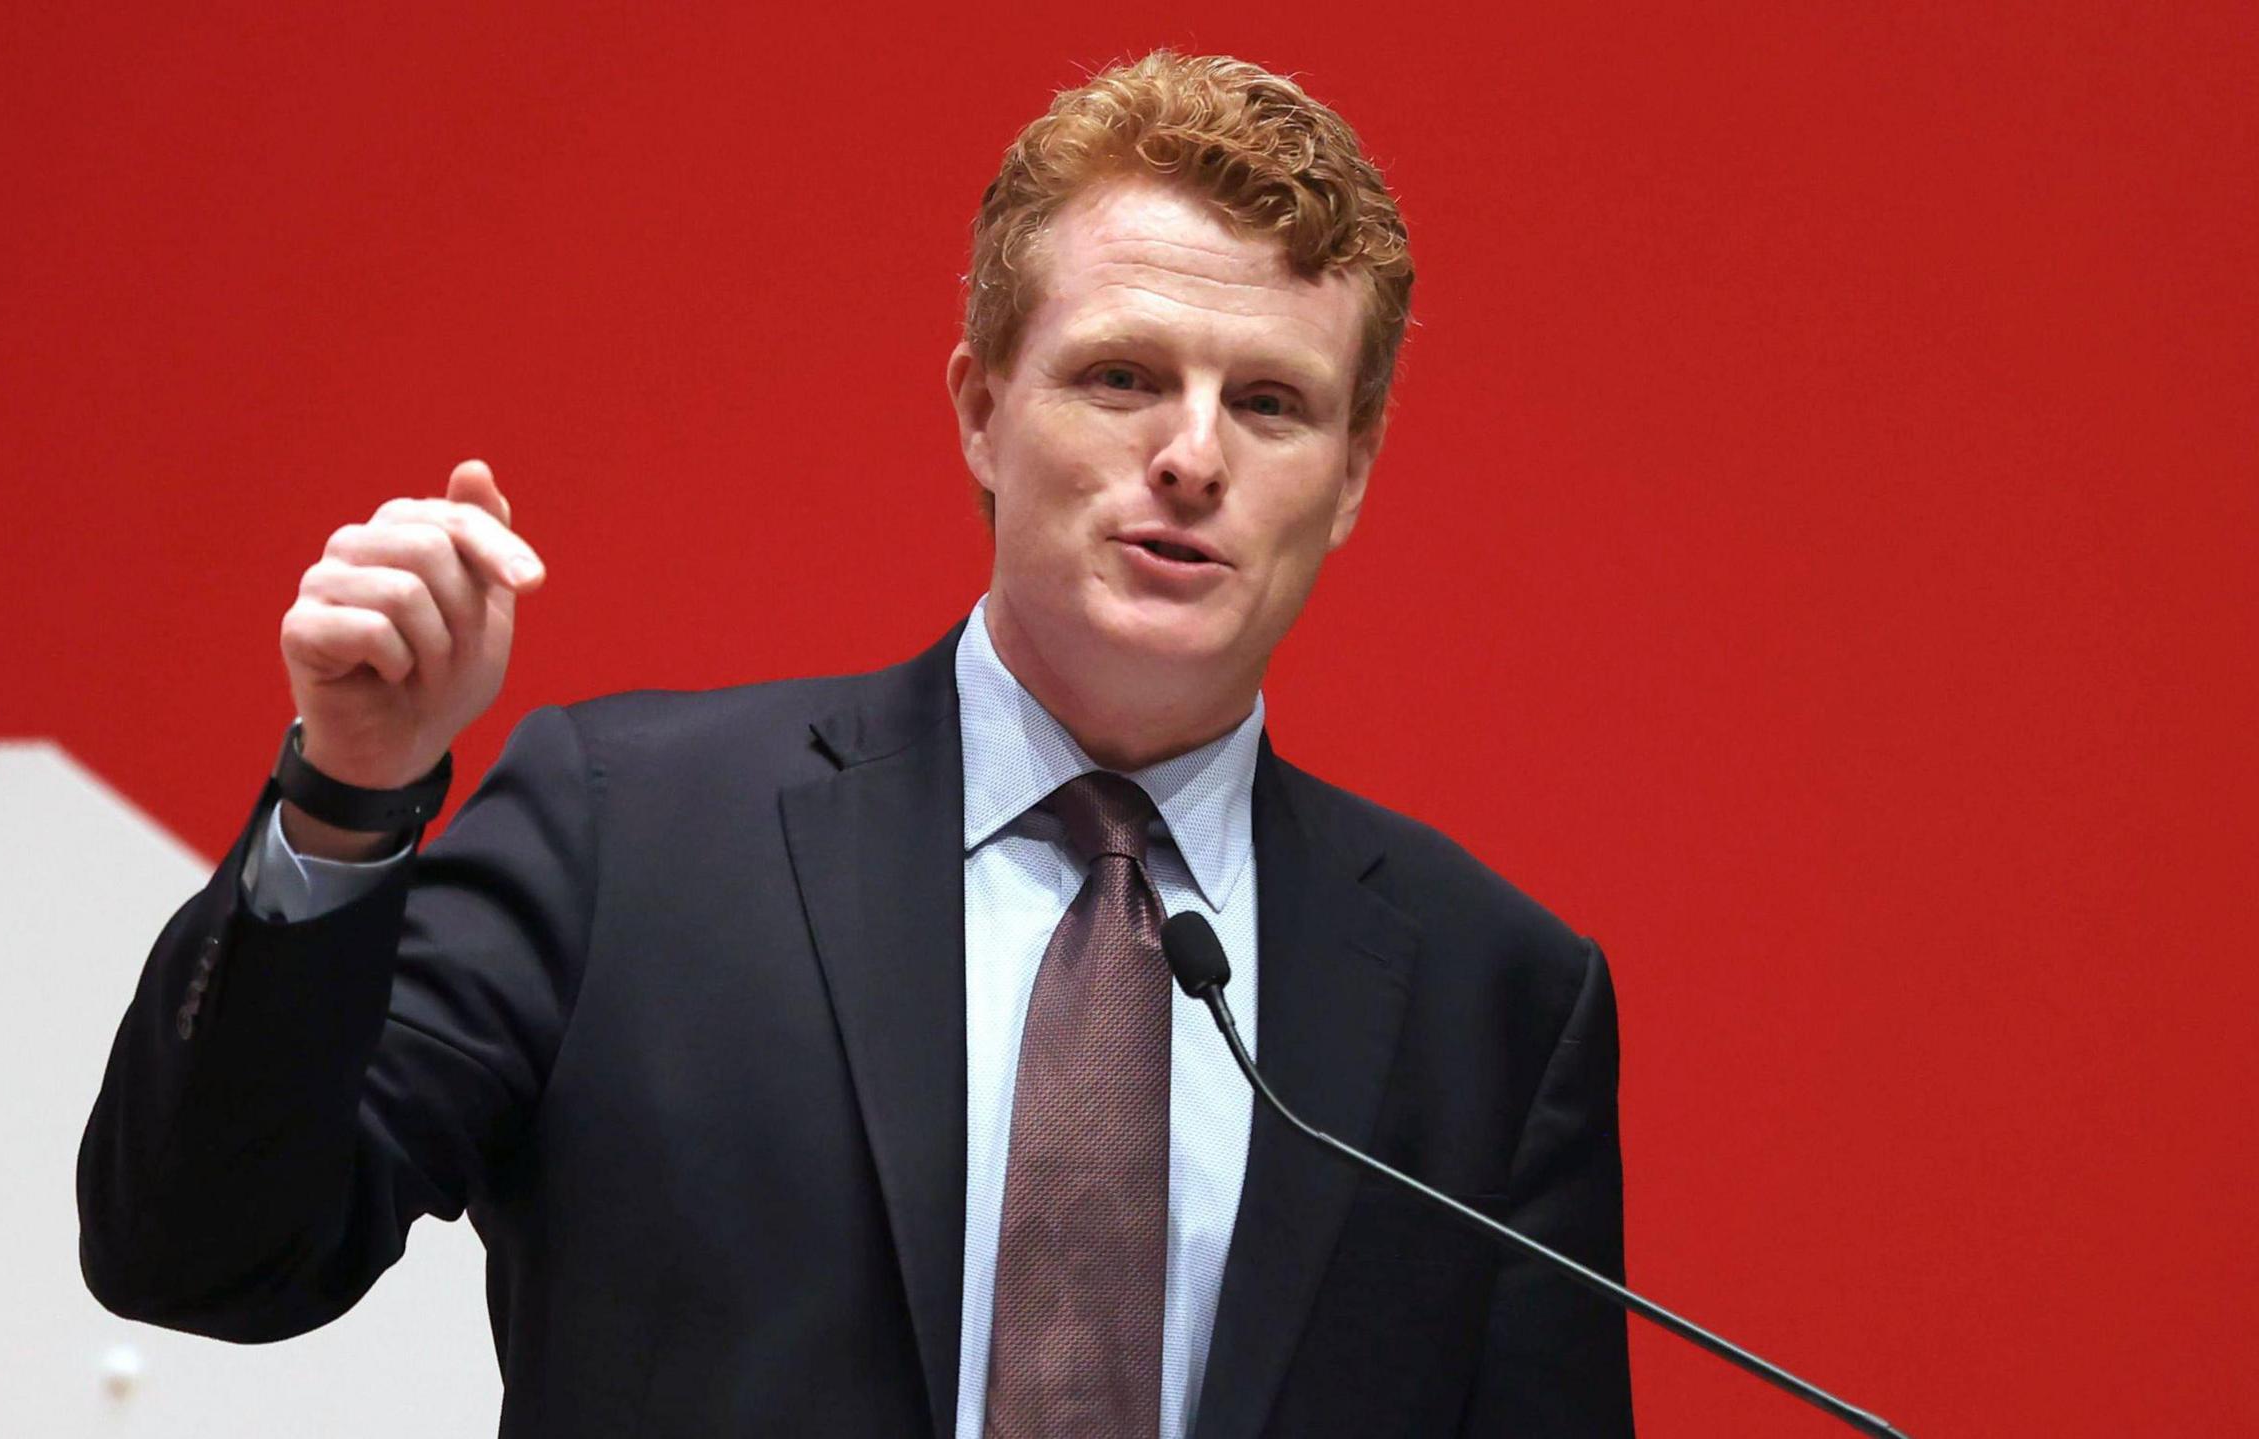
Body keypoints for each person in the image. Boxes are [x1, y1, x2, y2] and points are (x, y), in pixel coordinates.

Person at [79, 50, 1631, 1437]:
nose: (1192, 456)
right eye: (1122, 376)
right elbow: (208, 1251)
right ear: (980, 409)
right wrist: (349, 795)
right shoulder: (630, 836)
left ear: (1351, 479)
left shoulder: (1488, 999)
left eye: (1276, 405)